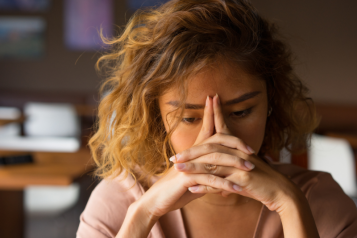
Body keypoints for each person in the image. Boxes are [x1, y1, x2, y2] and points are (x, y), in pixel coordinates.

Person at [76, 0, 357, 237]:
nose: (216, 139)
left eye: (241, 112)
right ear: (156, 117)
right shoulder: (119, 202)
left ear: (271, 103)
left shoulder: (319, 201)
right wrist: (143, 215)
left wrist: (290, 204)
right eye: (188, 118)